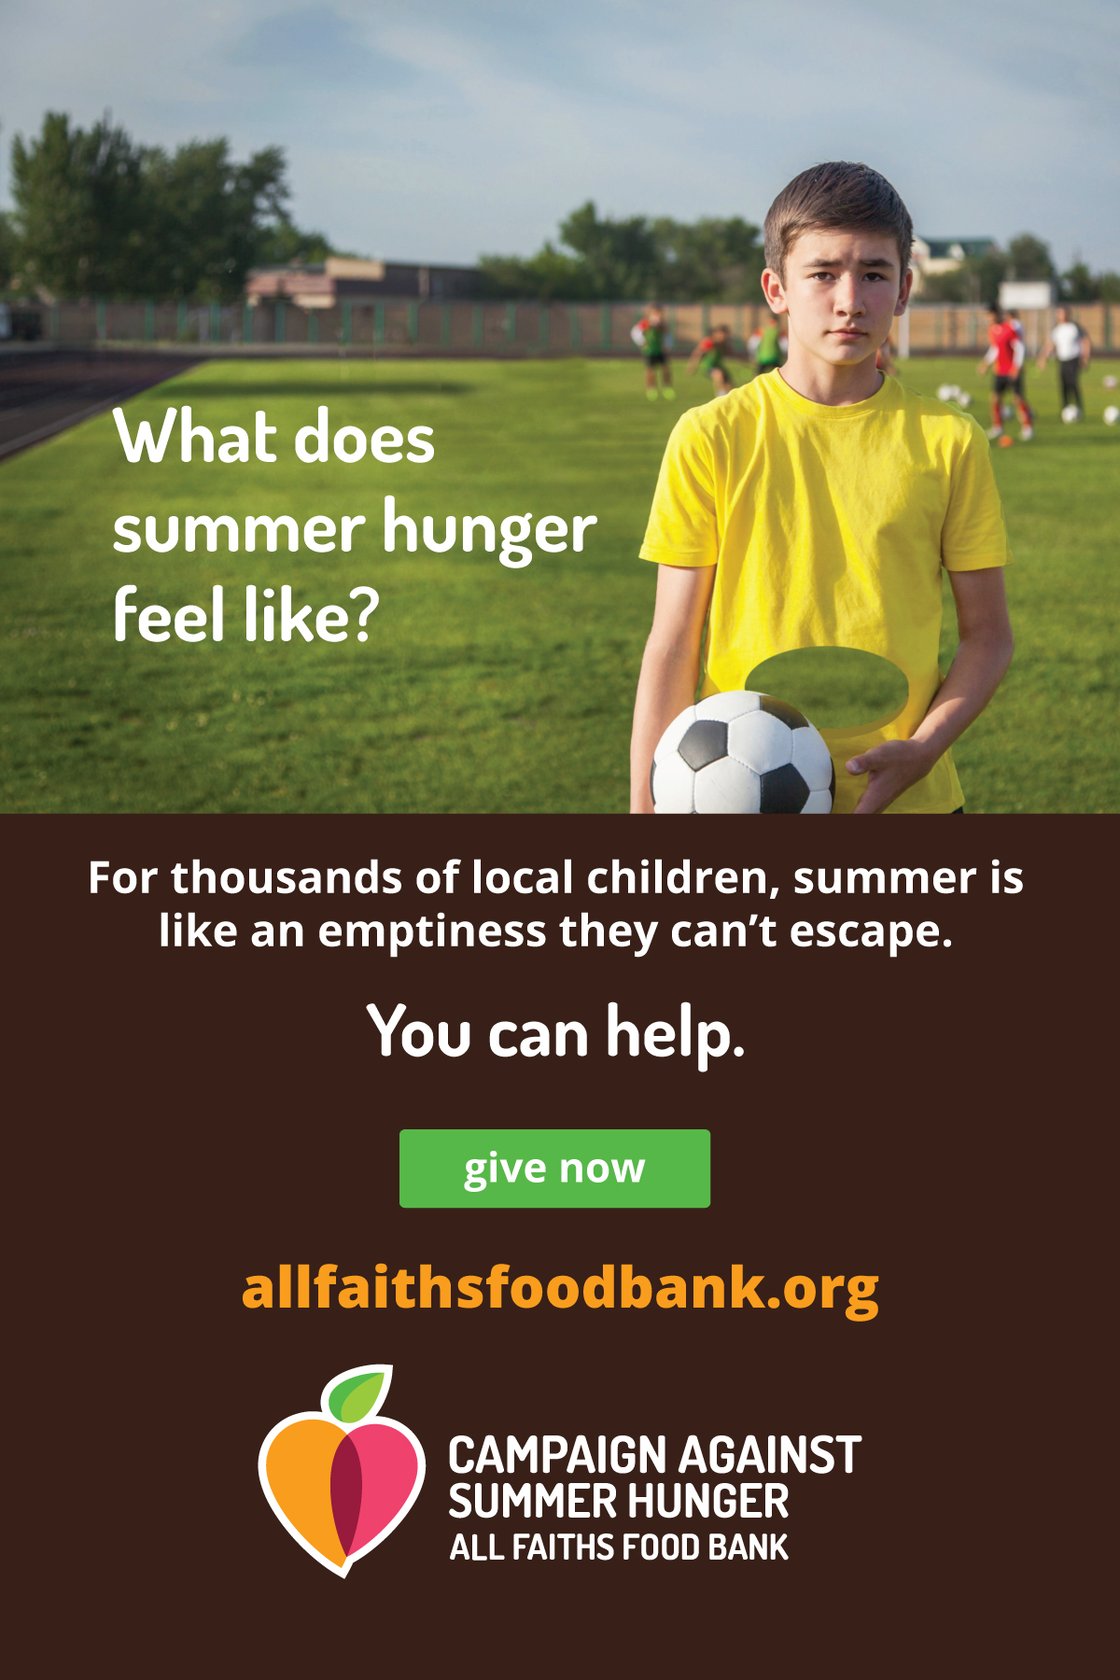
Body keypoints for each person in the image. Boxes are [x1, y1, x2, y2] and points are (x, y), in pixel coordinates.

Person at [630, 160, 1013, 816]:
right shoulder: (711, 435)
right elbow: (673, 641)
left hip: (912, 804)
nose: (849, 300)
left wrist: (924, 748)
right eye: (823, 274)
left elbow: (989, 635)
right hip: (736, 806)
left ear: (904, 290)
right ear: (776, 289)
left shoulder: (950, 440)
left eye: (873, 274)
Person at [977, 304, 1033, 441]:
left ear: (997, 314)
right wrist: (986, 363)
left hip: (1012, 371)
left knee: (1018, 399)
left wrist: (1016, 367)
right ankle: (998, 427)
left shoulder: (1010, 328)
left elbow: (1019, 348)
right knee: (995, 398)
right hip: (999, 371)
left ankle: (1027, 428)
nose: (988, 318)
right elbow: (995, 349)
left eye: (990, 315)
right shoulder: (992, 330)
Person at [1037, 305, 1091, 413]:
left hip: (1074, 359)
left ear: (1068, 314)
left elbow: (1085, 341)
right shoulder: (1056, 329)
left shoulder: (1074, 327)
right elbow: (1051, 345)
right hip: (1062, 360)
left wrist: (1085, 357)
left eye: (1064, 313)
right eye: (1060, 313)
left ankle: (1079, 407)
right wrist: (1043, 358)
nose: (1062, 315)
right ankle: (1065, 409)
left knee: (1073, 383)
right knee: (1063, 384)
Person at [630, 305, 675, 401]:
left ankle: (667, 388)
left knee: (666, 369)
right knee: (650, 371)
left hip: (660, 350)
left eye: (660, 313)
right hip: (650, 351)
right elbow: (635, 332)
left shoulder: (663, 325)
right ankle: (651, 389)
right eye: (656, 313)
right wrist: (642, 343)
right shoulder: (645, 323)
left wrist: (667, 346)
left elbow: (667, 336)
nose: (658, 315)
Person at [687, 323, 737, 396]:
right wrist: (693, 366)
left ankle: (728, 398)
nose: (724, 336)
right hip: (709, 366)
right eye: (722, 334)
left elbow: (729, 352)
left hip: (720, 366)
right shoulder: (709, 342)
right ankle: (720, 395)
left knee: (731, 388)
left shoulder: (723, 343)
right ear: (716, 333)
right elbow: (698, 353)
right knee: (718, 375)